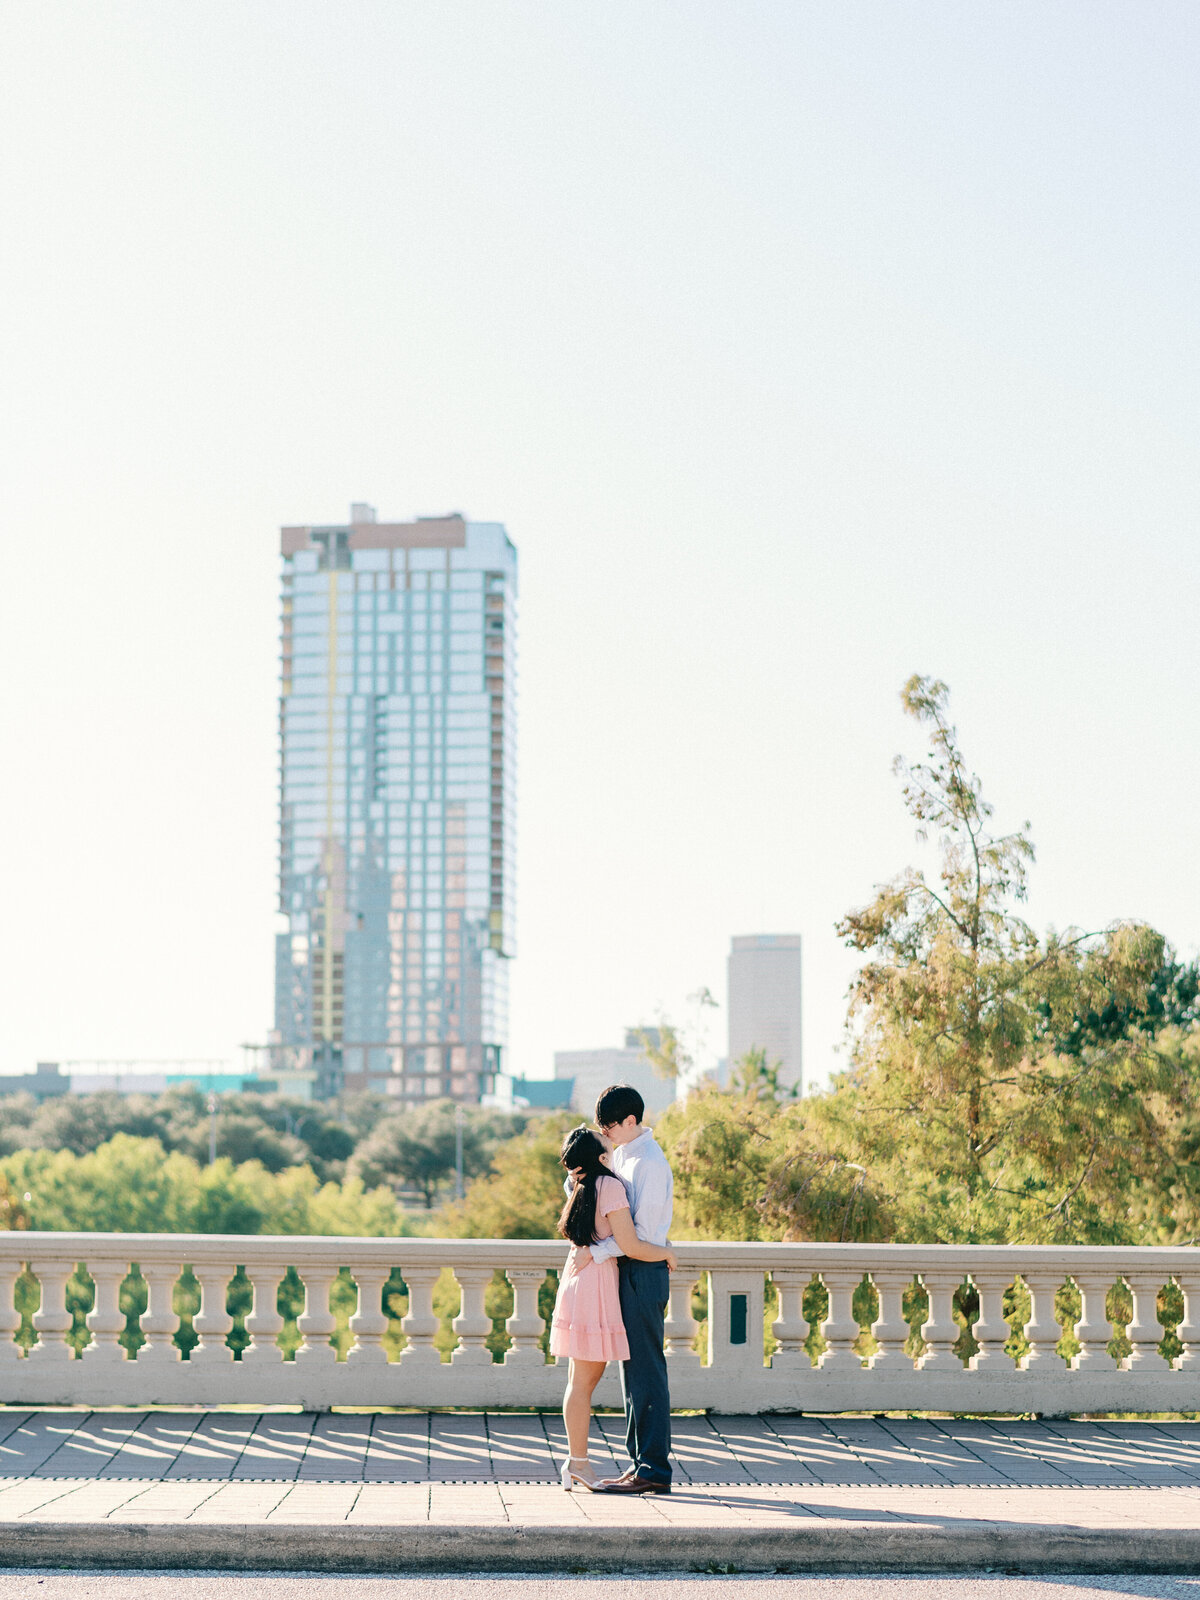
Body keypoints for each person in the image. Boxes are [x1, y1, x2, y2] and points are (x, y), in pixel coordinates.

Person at [549, 1124, 676, 1492]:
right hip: (596, 1288)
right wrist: (666, 1251)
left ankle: (577, 1463)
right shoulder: (611, 1186)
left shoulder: (578, 1186)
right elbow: (632, 1244)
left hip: (577, 1281)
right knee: (585, 1382)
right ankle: (578, 1464)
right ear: (602, 1156)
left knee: (578, 1382)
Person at [580, 1084, 676, 1497]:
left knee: (646, 1372)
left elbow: (639, 1235)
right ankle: (640, 1465)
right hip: (628, 1270)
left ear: (631, 1121)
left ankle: (653, 1469)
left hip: (643, 1270)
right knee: (632, 1372)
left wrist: (595, 1252)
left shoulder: (650, 1164)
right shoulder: (623, 1155)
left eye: (611, 1125)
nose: (606, 1132)